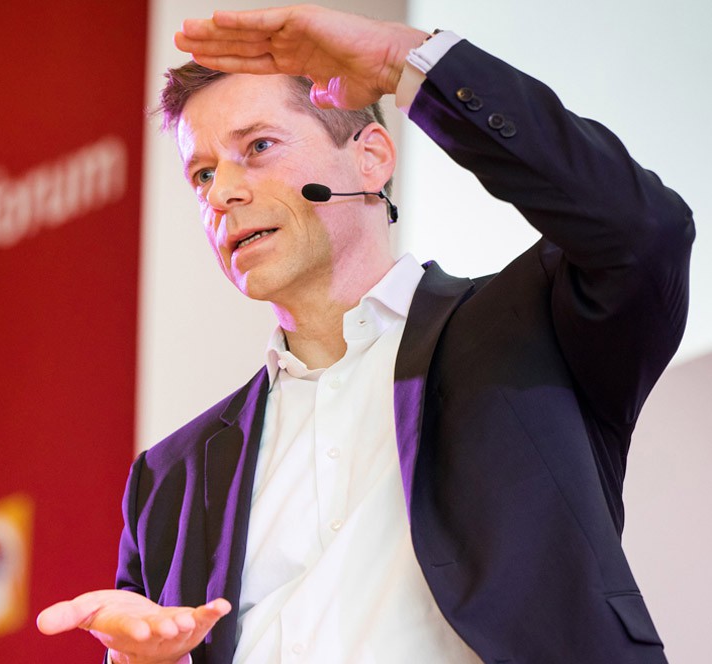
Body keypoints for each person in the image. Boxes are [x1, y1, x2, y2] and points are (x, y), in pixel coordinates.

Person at [37, 4, 693, 664]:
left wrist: (404, 62)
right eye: (203, 173)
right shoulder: (167, 479)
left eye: (258, 147)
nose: (222, 193)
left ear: (372, 157)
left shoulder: (533, 325)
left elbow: (646, 232)